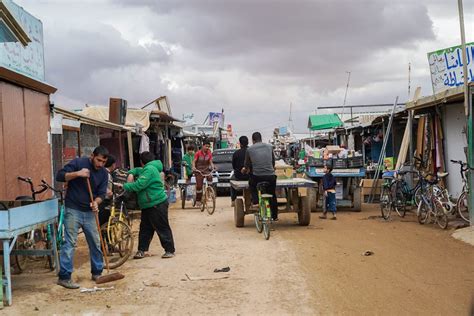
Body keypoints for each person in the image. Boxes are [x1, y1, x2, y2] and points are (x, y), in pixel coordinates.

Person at [56, 146, 109, 289]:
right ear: (92, 156)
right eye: (98, 160)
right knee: (70, 243)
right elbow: (60, 176)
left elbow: (102, 194)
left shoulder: (103, 173)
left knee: (95, 242)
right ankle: (65, 276)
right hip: (73, 209)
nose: (100, 164)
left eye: (103, 162)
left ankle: (97, 272)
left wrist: (96, 203)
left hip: (90, 212)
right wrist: (78, 174)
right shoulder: (79, 163)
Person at [120, 151, 175, 259]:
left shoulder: (149, 169)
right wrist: (131, 172)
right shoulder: (149, 168)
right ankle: (142, 250)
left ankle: (169, 250)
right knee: (145, 228)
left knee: (161, 227)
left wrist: (125, 186)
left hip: (156, 203)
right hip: (148, 204)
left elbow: (139, 185)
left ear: (142, 162)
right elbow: (137, 170)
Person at [243, 132, 278, 220]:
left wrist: (245, 169)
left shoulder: (250, 149)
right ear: (261, 139)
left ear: (253, 140)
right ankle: (275, 216)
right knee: (272, 194)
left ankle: (255, 202)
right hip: (271, 176)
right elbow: (273, 162)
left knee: (251, 184)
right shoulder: (270, 147)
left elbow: (246, 164)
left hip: (257, 176)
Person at [192, 140, 216, 206]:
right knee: (199, 186)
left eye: (208, 146)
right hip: (198, 171)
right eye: (206, 146)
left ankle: (209, 190)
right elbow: (194, 161)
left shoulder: (209, 153)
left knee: (210, 177)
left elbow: (211, 162)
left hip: (206, 170)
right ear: (203, 146)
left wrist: (213, 167)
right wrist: (194, 167)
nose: (207, 147)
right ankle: (198, 200)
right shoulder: (198, 153)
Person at [231, 136, 249, 206]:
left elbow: (234, 166)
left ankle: (233, 200)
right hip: (250, 176)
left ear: (240, 144)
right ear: (248, 143)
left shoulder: (236, 153)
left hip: (239, 176)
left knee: (231, 181)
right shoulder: (251, 151)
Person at [99, 155, 116, 226]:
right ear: (112, 164)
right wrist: (111, 193)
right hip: (104, 201)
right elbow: (105, 188)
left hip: (100, 200)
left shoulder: (101, 172)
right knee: (105, 223)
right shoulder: (107, 174)